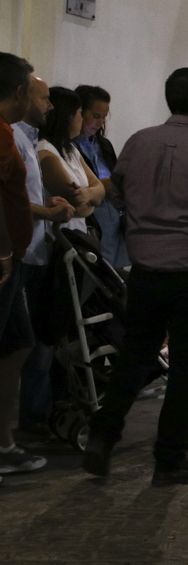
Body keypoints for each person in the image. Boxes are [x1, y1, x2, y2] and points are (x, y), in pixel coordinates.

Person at [83, 67, 188, 486]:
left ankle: (102, 435)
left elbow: (118, 193)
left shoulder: (139, 143)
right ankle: (169, 459)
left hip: (146, 271)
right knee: (185, 366)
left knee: (136, 356)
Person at [13, 76, 74, 437]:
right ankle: (28, 420)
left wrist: (46, 206)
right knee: (26, 342)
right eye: (44, 98)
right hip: (20, 254)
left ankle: (35, 415)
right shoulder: (15, 139)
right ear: (21, 95)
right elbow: (11, 199)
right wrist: (47, 213)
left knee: (36, 340)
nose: (50, 106)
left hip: (34, 251)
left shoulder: (26, 138)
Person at [0, 52, 41, 483]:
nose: (38, 97)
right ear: (17, 92)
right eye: (33, 89)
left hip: (14, 260)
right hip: (4, 262)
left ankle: (4, 442)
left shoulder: (9, 132)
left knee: (17, 345)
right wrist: (2, 251)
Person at [73, 85, 127, 268]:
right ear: (79, 113)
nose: (100, 122)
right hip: (90, 220)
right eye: (96, 116)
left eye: (104, 117)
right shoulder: (69, 147)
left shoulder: (103, 145)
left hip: (113, 217)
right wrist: (102, 185)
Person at [38, 87, 105, 234]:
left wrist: (88, 194)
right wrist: (92, 198)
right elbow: (78, 207)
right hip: (57, 238)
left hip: (75, 235)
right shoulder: (46, 152)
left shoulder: (71, 148)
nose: (82, 119)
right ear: (68, 116)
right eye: (80, 113)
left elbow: (100, 188)